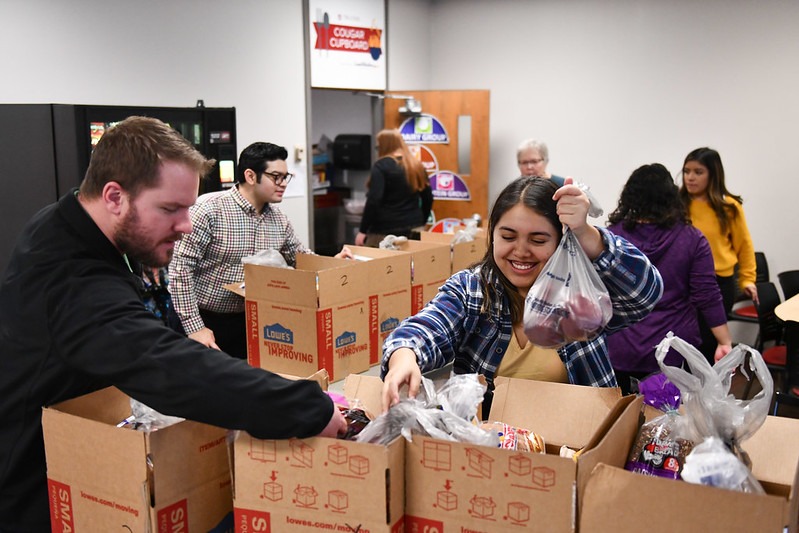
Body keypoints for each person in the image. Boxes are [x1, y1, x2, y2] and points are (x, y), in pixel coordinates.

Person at [0, 117, 346, 532]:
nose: (185, 226)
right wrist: (304, 406)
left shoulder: (64, 221)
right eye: (170, 209)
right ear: (114, 196)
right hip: (32, 486)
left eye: (188, 208)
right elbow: (167, 366)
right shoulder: (73, 280)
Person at [380, 176, 664, 411]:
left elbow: (644, 293)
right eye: (508, 237)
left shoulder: (579, 296)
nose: (521, 251)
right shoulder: (473, 290)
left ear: (561, 240)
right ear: (492, 235)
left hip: (579, 446)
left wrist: (586, 231)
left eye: (538, 240)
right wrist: (404, 356)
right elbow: (428, 326)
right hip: (492, 449)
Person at [169, 141, 352, 359]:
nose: (283, 183)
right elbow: (179, 270)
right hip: (201, 319)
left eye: (286, 177)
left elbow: (301, 259)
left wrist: (331, 262)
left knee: (240, 387)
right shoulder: (209, 209)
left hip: (247, 321)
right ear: (250, 176)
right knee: (196, 389)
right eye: (276, 177)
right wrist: (194, 327)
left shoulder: (278, 219)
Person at [606, 163, 733, 394]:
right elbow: (707, 295)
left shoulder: (612, 238)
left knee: (618, 416)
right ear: (672, 197)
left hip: (620, 345)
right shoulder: (692, 239)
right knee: (668, 421)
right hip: (671, 348)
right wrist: (724, 341)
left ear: (629, 196)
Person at [679, 147, 757, 364]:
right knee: (684, 342)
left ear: (713, 174)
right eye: (687, 171)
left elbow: (744, 246)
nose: (690, 177)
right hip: (685, 284)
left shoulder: (728, 207)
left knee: (710, 343)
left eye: (698, 172)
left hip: (718, 283)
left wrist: (748, 279)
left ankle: (709, 393)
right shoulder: (678, 205)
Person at [355, 129, 433, 247]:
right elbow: (428, 197)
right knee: (412, 263)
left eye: (378, 147)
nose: (378, 150)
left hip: (384, 231)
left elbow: (374, 200)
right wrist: (421, 221)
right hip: (414, 227)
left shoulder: (381, 166)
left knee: (376, 264)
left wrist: (362, 230)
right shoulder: (416, 165)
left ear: (385, 146)